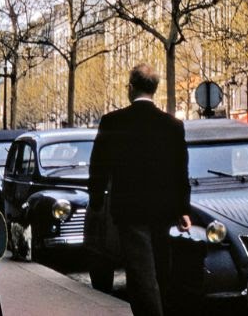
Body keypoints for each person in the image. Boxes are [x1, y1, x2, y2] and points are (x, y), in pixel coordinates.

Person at [89, 64, 191, 316]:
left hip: (130, 209)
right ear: (154, 89)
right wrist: (183, 209)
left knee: (140, 272)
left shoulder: (113, 122)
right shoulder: (172, 125)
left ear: (131, 88)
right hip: (164, 209)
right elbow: (181, 170)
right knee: (157, 269)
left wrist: (96, 199)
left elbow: (98, 166)